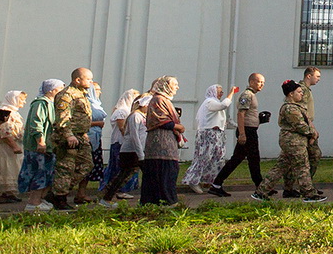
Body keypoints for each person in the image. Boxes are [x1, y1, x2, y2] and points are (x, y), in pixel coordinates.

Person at [47, 67, 96, 210]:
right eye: (88, 79)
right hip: (68, 137)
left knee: (87, 165)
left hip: (80, 136)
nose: (91, 82)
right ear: (78, 79)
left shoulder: (82, 94)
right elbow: (63, 117)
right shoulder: (67, 95)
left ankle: (56, 191)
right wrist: (68, 134)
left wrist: (84, 133)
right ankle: (60, 198)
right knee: (65, 168)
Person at [212, 74, 266, 198]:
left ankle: (260, 185)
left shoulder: (252, 95)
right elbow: (241, 114)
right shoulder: (247, 95)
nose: (262, 84)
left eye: (263, 82)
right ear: (252, 82)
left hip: (250, 130)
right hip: (247, 132)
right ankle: (217, 184)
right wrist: (242, 134)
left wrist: (258, 120)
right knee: (248, 159)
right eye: (259, 82)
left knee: (246, 159)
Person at [137, 76, 184, 205]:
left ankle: (162, 200)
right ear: (166, 86)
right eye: (175, 84)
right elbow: (160, 120)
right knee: (162, 172)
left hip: (167, 143)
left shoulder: (164, 100)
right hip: (160, 143)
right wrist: (178, 126)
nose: (177, 87)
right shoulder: (158, 99)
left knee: (168, 172)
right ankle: (165, 200)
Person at [276, 79, 325, 201]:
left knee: (281, 167)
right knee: (302, 166)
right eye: (299, 92)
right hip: (294, 141)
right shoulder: (290, 108)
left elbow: (306, 120)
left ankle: (262, 191)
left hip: (297, 140)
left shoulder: (297, 106)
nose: (301, 94)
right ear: (291, 94)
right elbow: (300, 125)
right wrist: (313, 133)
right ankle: (308, 193)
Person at [20, 79, 63, 210]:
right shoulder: (41, 104)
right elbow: (36, 123)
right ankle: (34, 202)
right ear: (51, 90)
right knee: (39, 172)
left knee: (47, 173)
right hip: (38, 147)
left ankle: (40, 199)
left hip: (49, 146)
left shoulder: (51, 104)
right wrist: (41, 141)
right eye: (60, 89)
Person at [99, 89, 147, 206]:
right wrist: (140, 154)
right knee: (124, 175)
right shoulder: (135, 116)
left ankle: (107, 197)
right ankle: (107, 198)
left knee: (126, 175)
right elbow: (134, 136)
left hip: (136, 150)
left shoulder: (142, 116)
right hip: (131, 150)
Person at [184, 84, 234, 194]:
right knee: (204, 157)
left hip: (216, 134)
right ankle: (192, 180)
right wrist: (231, 93)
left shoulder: (214, 102)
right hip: (208, 134)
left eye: (222, 91)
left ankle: (211, 181)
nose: (221, 93)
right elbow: (223, 105)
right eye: (219, 91)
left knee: (218, 158)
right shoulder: (210, 102)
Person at [0, 91, 26, 201]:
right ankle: (0, 194)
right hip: (5, 147)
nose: (24, 102)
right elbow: (5, 132)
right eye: (21, 99)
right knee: (5, 168)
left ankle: (9, 193)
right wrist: (14, 146)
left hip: (10, 146)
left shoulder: (14, 112)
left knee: (11, 169)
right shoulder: (6, 112)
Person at [299, 67, 324, 182]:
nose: (319, 79)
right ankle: (305, 184)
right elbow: (303, 112)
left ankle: (303, 185)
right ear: (309, 76)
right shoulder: (302, 90)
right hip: (305, 127)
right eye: (317, 76)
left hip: (306, 126)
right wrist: (313, 130)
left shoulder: (305, 90)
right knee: (314, 155)